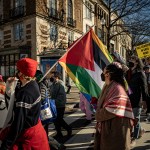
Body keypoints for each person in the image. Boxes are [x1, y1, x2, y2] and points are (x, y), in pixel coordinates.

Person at [0, 58, 50, 150]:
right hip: (36, 133)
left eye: (18, 70)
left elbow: (18, 124)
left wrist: (6, 146)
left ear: (21, 73)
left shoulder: (25, 93)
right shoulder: (33, 84)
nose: (16, 72)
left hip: (28, 140)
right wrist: (10, 86)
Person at [94, 62, 134, 150]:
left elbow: (113, 109)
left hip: (115, 129)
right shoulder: (109, 85)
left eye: (104, 72)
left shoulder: (117, 88)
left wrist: (98, 114)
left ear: (108, 74)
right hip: (110, 127)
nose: (102, 75)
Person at [35, 70, 66, 150]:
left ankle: (57, 146)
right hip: (45, 111)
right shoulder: (44, 84)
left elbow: (43, 99)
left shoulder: (41, 85)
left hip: (44, 112)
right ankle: (57, 145)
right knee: (44, 132)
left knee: (44, 132)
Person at [126, 56, 148, 143]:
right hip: (129, 98)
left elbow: (144, 88)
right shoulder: (129, 72)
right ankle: (140, 130)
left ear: (137, 62)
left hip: (137, 99)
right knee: (130, 118)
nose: (130, 61)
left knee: (136, 118)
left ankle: (134, 137)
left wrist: (144, 100)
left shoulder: (140, 73)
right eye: (130, 59)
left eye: (132, 60)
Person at [50, 71, 72, 138]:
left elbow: (61, 96)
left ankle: (68, 129)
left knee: (59, 119)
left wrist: (54, 101)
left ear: (56, 77)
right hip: (54, 105)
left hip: (60, 105)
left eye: (52, 76)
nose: (51, 77)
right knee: (55, 120)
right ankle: (59, 133)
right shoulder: (53, 84)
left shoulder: (61, 84)